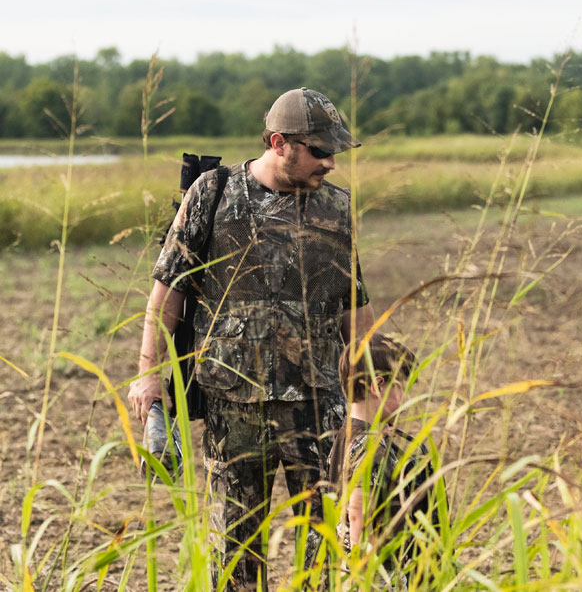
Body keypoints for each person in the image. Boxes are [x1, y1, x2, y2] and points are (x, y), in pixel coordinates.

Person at [128, 87, 375, 591]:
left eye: (335, 153)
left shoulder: (336, 209)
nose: (330, 164)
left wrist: (373, 406)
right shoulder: (213, 193)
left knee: (325, 548)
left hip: (319, 406)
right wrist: (149, 377)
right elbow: (166, 296)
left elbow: (357, 312)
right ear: (280, 142)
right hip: (234, 408)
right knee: (234, 556)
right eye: (320, 151)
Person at [329, 332, 441, 588]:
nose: (410, 400)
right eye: (405, 389)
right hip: (379, 574)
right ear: (378, 385)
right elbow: (357, 511)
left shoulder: (346, 434)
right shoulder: (371, 447)